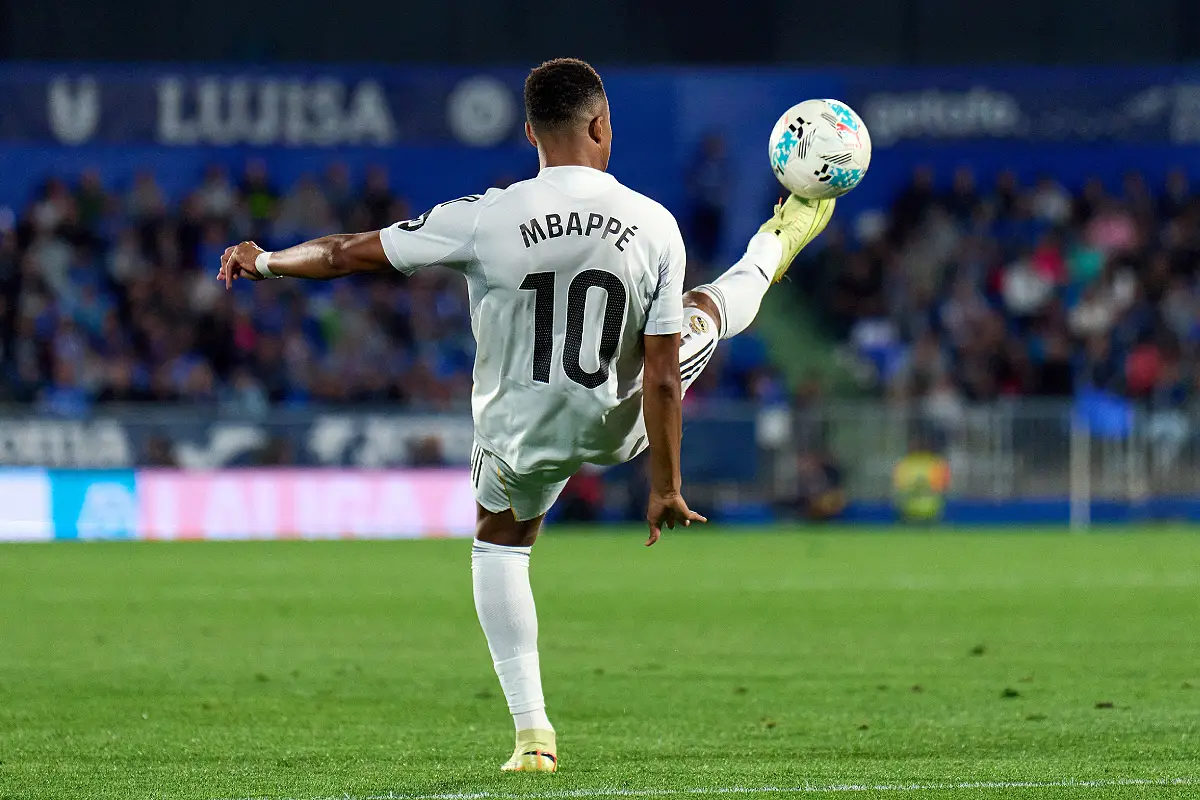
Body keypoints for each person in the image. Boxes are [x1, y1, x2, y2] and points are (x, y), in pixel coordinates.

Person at [217, 58, 834, 773]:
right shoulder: (655, 224)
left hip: (523, 433)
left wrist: (265, 261)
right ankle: (783, 235)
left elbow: (343, 254)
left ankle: (533, 736)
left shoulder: (484, 216)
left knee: (501, 547)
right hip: (623, 417)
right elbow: (665, 378)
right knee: (712, 308)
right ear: (601, 126)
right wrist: (664, 485)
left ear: (530, 133)